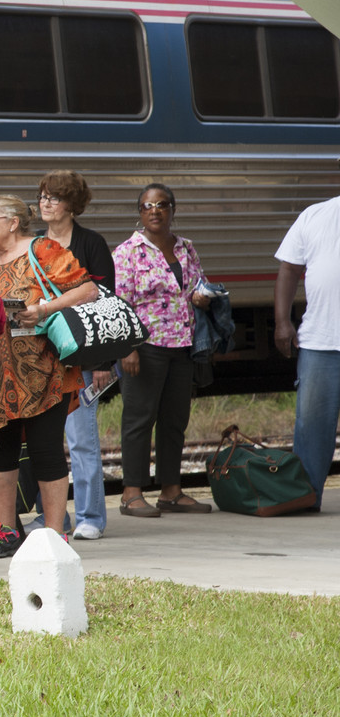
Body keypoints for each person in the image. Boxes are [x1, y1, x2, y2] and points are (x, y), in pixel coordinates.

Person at [0, 195, 97, 558]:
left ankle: (54, 533)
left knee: (45, 450)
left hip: (43, 373)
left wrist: (44, 309)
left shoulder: (43, 250)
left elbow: (88, 290)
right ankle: (5, 531)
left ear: (13, 222)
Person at [114, 183, 213, 517]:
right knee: (139, 419)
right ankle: (131, 493)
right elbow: (118, 304)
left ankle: (171, 491)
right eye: (147, 205)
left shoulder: (186, 248)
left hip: (183, 345)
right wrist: (127, 348)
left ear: (173, 209)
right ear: (139, 212)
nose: (154, 210)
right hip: (145, 346)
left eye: (162, 204)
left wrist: (201, 297)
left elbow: (198, 284)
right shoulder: (127, 252)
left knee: (174, 421)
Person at [38, 171, 117, 540]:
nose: (45, 203)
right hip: (44, 357)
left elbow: (107, 304)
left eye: (53, 197)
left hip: (83, 356)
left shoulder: (91, 243)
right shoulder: (34, 245)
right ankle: (53, 518)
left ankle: (90, 516)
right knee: (46, 441)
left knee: (82, 438)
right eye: (42, 196)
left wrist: (102, 364)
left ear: (71, 204)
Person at [275, 194, 340, 508]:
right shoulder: (315, 215)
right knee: (312, 427)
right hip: (320, 341)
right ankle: (305, 497)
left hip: (321, 344)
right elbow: (288, 270)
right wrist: (282, 321)